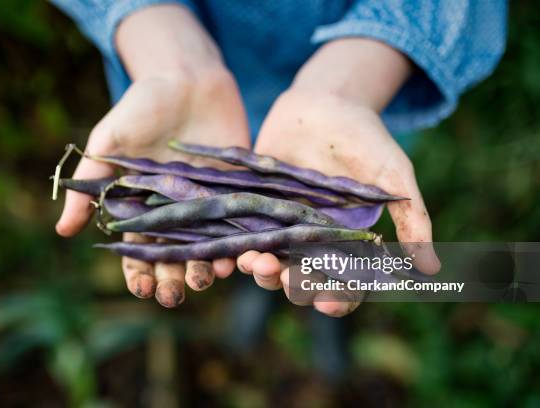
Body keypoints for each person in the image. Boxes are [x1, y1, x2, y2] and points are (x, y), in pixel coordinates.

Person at [51, 1, 506, 316]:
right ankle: (261, 286)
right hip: (191, 106)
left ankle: (294, 291)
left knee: (328, 218)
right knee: (266, 245)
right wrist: (168, 52)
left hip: (353, 103)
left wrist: (352, 81)